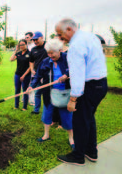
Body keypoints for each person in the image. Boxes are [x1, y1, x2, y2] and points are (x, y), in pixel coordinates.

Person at [55, 19, 108, 165]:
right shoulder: (90, 37)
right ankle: (91, 152)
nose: (60, 38)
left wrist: (73, 100)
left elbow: (78, 74)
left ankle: (78, 156)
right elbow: (88, 64)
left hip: (89, 87)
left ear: (69, 30)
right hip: (101, 84)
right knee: (89, 119)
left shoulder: (75, 46)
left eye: (60, 34)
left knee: (79, 121)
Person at [27, 39, 74, 148]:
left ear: (60, 50)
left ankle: (71, 139)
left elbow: (76, 69)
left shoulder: (68, 59)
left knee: (67, 117)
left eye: (52, 52)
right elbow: (38, 76)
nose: (50, 55)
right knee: (47, 114)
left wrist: (67, 75)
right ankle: (46, 135)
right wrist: (31, 86)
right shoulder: (45, 62)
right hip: (50, 93)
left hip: (65, 93)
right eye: (48, 53)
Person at [29, 31, 48, 114]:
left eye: (37, 39)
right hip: (37, 74)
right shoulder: (33, 49)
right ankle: (36, 110)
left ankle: (48, 112)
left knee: (47, 94)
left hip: (48, 74)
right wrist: (32, 69)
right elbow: (31, 61)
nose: (35, 41)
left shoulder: (48, 46)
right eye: (34, 40)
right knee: (37, 92)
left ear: (42, 38)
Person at [10, 39, 31, 111]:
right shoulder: (18, 53)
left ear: (26, 44)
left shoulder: (30, 53)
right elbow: (11, 59)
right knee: (17, 90)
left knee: (25, 91)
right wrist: (16, 50)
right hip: (17, 74)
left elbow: (30, 67)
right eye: (20, 45)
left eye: (23, 44)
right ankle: (16, 106)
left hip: (26, 75)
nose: (21, 46)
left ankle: (24, 107)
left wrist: (24, 75)